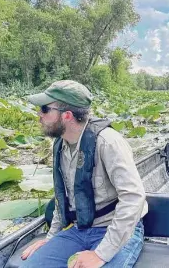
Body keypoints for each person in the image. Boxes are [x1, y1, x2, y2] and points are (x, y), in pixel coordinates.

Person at [20, 80, 148, 267]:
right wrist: (51, 238)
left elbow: (133, 198)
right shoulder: (60, 144)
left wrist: (100, 254)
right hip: (78, 229)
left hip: (116, 229)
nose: (39, 115)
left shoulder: (108, 142)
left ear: (67, 115)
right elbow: (61, 199)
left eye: (45, 109)